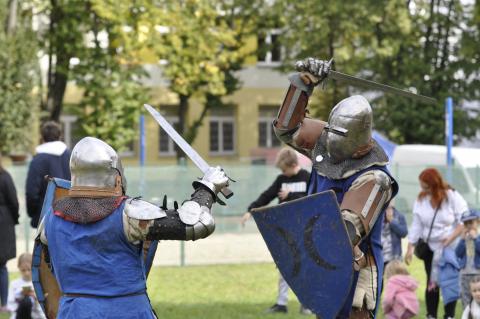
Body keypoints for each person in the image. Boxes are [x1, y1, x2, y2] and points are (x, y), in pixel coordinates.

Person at [36, 136, 229, 318]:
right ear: (117, 178)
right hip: (125, 312)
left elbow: (51, 266)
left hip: (74, 312)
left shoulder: (50, 220)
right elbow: (197, 223)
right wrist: (208, 187)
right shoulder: (129, 214)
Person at [273, 57, 398, 318]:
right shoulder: (326, 141)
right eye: (331, 133)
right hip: (324, 267)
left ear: (356, 138)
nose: (330, 142)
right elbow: (287, 129)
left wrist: (297, 244)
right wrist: (303, 84)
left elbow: (343, 232)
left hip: (356, 273)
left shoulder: (375, 178)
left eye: (338, 136)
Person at [241, 147, 310, 314]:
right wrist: (251, 209)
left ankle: (307, 304)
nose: (283, 173)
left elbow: (311, 199)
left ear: (294, 164)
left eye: (284, 169)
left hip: (305, 230)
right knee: (284, 265)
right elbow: (267, 195)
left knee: (305, 267)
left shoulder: (308, 178)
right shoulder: (281, 180)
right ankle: (281, 304)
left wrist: (290, 196)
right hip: (285, 230)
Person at [405, 168, 468, 319]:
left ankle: (449, 315)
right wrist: (410, 247)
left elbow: (463, 219)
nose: (423, 190)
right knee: (432, 281)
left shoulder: (451, 196)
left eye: (426, 187)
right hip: (430, 249)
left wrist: (451, 238)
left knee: (448, 281)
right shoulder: (421, 200)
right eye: (422, 186)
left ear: (434, 185)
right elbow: (417, 224)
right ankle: (431, 314)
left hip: (449, 248)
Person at [26, 121, 71, 228]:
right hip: (71, 216)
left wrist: (34, 213)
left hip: (46, 218)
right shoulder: (71, 156)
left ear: (42, 137)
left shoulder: (38, 160)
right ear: (60, 135)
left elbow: (32, 192)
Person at [0, 154, 19, 313]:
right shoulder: (4, 177)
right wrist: (15, 217)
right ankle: (4, 303)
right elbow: (13, 201)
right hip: (3, 224)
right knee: (2, 266)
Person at [6, 253, 45, 319]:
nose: (26, 273)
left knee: (28, 301)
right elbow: (10, 305)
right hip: (19, 315)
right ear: (19, 268)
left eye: (29, 269)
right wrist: (20, 296)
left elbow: (43, 310)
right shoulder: (14, 284)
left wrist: (35, 298)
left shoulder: (39, 284)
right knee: (26, 301)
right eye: (23, 270)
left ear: (33, 268)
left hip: (35, 315)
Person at [456, 209, 480, 307]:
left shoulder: (478, 237)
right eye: (466, 223)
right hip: (465, 273)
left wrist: (476, 238)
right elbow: (458, 253)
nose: (469, 225)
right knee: (465, 299)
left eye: (471, 222)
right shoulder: (464, 238)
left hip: (477, 272)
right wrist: (462, 239)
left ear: (478, 222)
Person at [381, 202, 408, 268]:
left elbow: (404, 233)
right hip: (380, 257)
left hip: (395, 257)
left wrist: (391, 221)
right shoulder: (378, 215)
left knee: (395, 277)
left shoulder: (399, 216)